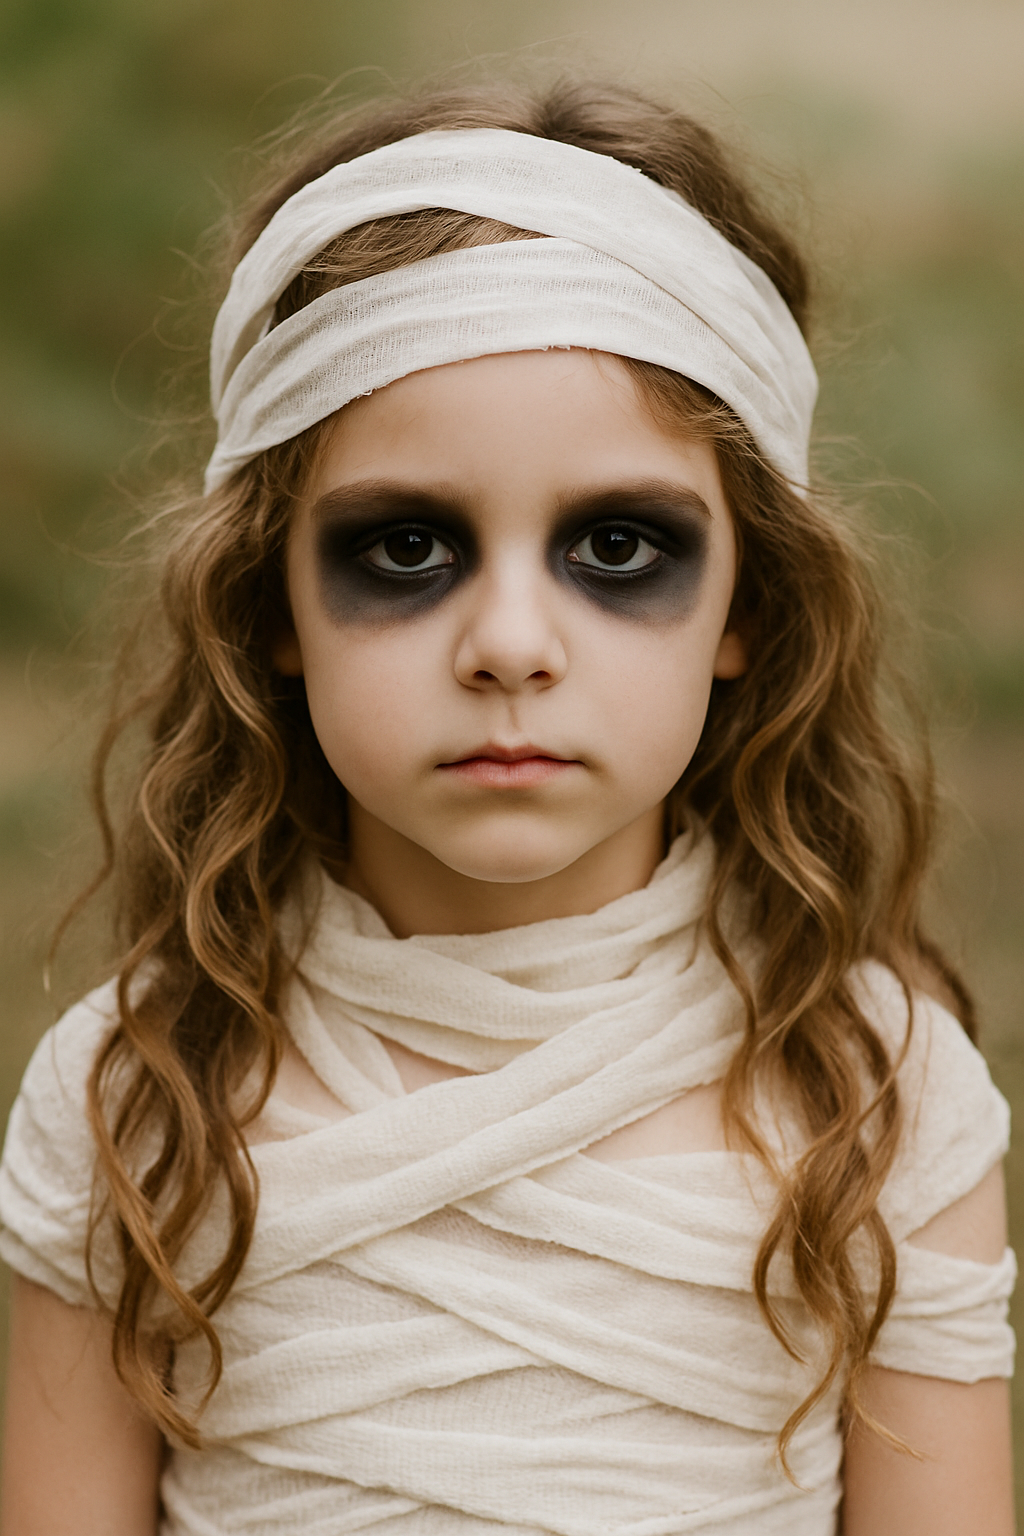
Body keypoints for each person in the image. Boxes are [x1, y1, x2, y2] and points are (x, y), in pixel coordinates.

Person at [0, 79, 1014, 1536]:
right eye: (407, 547)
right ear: (271, 599)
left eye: (618, 544)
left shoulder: (874, 1096)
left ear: (749, 597)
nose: (511, 642)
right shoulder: (143, 1095)